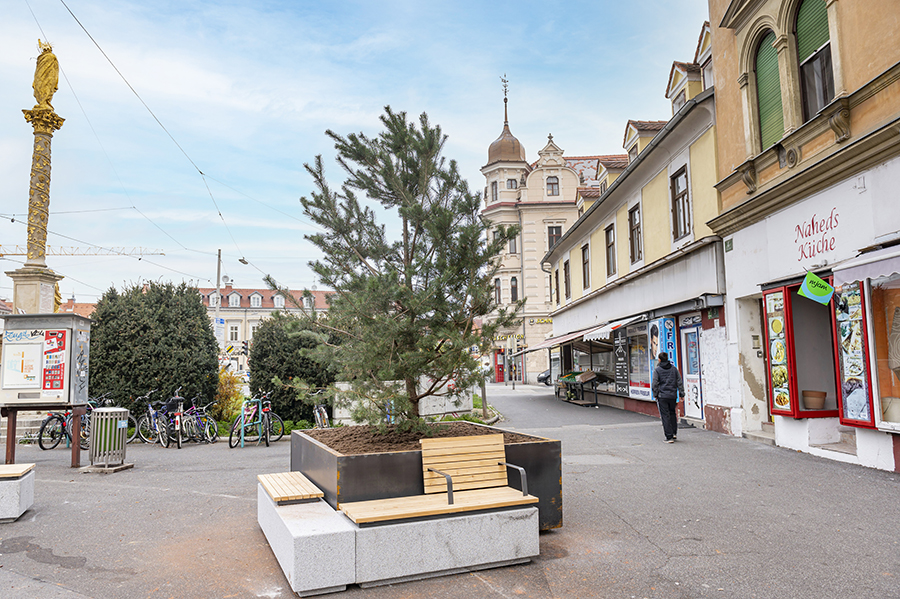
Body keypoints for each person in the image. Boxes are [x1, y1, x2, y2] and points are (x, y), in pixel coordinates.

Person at [651, 352, 684, 443]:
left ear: (660, 359)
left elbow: (655, 383)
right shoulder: (674, 369)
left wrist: (656, 394)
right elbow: (679, 381)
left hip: (662, 396)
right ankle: (674, 433)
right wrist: (682, 393)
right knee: (673, 413)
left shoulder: (657, 370)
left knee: (665, 415)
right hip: (672, 395)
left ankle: (669, 437)